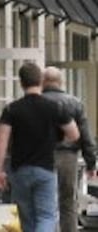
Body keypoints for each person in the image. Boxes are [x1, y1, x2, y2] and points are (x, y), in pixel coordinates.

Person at [0, 62, 80, 232]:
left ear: (21, 83)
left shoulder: (12, 109)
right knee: (46, 216)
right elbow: (74, 134)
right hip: (45, 169)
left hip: (20, 170)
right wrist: (56, 138)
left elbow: (1, 140)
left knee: (26, 218)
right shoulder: (54, 107)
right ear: (41, 81)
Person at [42, 66, 97, 232]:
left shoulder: (35, 102)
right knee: (68, 201)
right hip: (68, 156)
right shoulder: (74, 103)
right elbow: (85, 135)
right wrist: (91, 162)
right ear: (61, 82)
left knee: (45, 200)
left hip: (41, 156)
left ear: (43, 81)